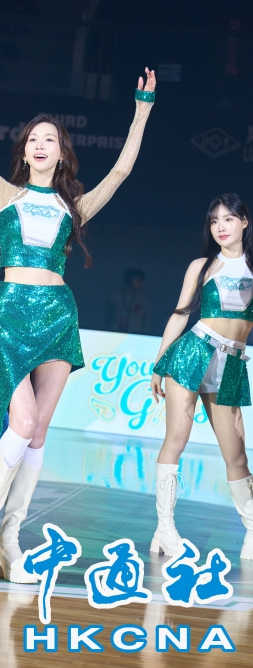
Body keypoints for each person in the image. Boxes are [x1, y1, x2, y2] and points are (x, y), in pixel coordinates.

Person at [0, 30, 156, 582]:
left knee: (38, 432)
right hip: (12, 314)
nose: (40, 144)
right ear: (24, 151)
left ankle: (11, 541)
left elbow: (122, 172)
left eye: (50, 139)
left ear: (61, 153)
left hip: (58, 314)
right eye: (33, 138)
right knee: (20, 420)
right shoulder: (3, 193)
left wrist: (141, 111)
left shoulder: (72, 203)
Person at [151, 193, 253, 560]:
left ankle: (252, 528)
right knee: (176, 440)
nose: (220, 227)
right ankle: (164, 529)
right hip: (193, 353)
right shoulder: (202, 266)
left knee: (236, 455)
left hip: (233, 364)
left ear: (244, 222)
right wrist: (158, 363)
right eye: (214, 221)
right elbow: (181, 314)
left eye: (228, 219)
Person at [106, 267, 150, 333]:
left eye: (142, 281)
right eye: (138, 280)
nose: (141, 283)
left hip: (135, 334)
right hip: (115, 333)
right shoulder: (115, 296)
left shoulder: (144, 300)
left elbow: (146, 319)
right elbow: (107, 315)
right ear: (129, 280)